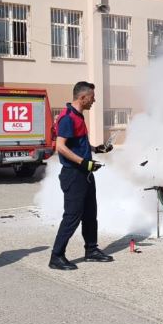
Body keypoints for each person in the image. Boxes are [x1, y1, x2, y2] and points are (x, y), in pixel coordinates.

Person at [50, 81, 115, 271]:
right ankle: (56, 256)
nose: (94, 100)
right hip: (74, 175)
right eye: (92, 97)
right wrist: (83, 162)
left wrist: (97, 149)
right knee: (72, 216)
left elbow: (78, 145)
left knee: (90, 214)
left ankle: (91, 250)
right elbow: (60, 147)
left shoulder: (79, 116)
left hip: (85, 174)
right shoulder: (68, 118)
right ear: (83, 97)